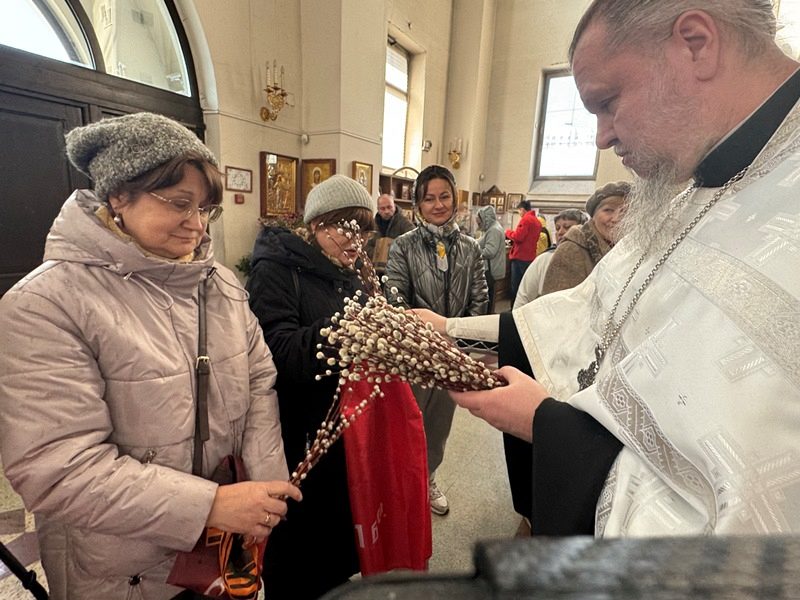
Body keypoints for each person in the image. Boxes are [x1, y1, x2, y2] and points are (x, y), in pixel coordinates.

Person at [418, 0, 800, 537]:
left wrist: (547, 426)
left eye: (607, 102)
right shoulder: (695, 188)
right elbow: (587, 312)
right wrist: (451, 331)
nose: (601, 137)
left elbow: (750, 518)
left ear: (696, 44)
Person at [0, 112, 300, 600]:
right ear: (119, 195)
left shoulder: (220, 285)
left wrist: (262, 490)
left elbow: (259, 386)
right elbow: (57, 467)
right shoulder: (46, 303)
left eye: (205, 208)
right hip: (121, 569)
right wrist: (209, 506)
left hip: (223, 549)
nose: (197, 224)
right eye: (180, 203)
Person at [246, 174, 375, 599]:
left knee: (336, 539)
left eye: (363, 229)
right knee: (299, 550)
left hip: (339, 429)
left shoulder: (350, 273)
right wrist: (346, 334)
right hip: (297, 432)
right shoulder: (276, 270)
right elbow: (276, 352)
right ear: (316, 225)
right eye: (344, 226)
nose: (355, 239)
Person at [385, 164, 488, 515]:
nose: (438, 204)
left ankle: (427, 478)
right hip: (415, 354)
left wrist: (463, 342)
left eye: (444, 196)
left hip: (454, 354)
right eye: (429, 198)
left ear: (455, 200)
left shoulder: (471, 248)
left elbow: (480, 297)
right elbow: (395, 297)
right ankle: (403, 483)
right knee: (408, 421)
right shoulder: (404, 246)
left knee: (438, 425)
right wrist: (423, 342)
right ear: (418, 205)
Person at [540, 181, 629, 295]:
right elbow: (556, 301)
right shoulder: (572, 249)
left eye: (624, 211)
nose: (616, 218)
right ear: (593, 216)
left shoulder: (630, 250)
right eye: (608, 210)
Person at [514, 208, 589, 308]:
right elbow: (523, 298)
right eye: (557, 228)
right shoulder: (544, 260)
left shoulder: (591, 260)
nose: (560, 232)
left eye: (568, 227)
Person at [365, 192, 414, 274]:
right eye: (382, 208)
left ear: (394, 206)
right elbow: (365, 245)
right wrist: (378, 253)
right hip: (376, 270)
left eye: (389, 207)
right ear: (378, 209)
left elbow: (413, 242)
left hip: (398, 270)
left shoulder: (404, 223)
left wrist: (393, 252)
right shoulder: (372, 225)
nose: (387, 211)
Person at [504, 199, 542, 301]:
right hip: (530, 256)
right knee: (526, 285)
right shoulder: (537, 222)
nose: (519, 214)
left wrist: (508, 232)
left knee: (516, 286)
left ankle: (514, 307)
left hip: (520, 257)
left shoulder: (525, 220)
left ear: (522, 209)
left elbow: (518, 237)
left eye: (519, 211)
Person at [476, 204, 506, 313]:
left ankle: (487, 316)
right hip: (492, 269)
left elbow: (490, 251)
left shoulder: (493, 230)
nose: (478, 223)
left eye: (480, 220)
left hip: (491, 270)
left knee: (488, 297)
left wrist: (475, 253)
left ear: (485, 218)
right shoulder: (493, 228)